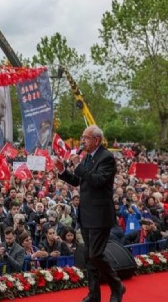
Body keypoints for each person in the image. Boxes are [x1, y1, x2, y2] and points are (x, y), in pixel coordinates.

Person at [55, 125, 125, 302]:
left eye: (86, 138)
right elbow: (79, 180)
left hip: (100, 215)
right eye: (82, 137)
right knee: (89, 257)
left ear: (97, 140)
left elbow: (98, 181)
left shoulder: (107, 157)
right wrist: (63, 171)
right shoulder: (87, 158)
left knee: (95, 254)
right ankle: (94, 295)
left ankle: (117, 286)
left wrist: (78, 164)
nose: (82, 141)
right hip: (85, 214)